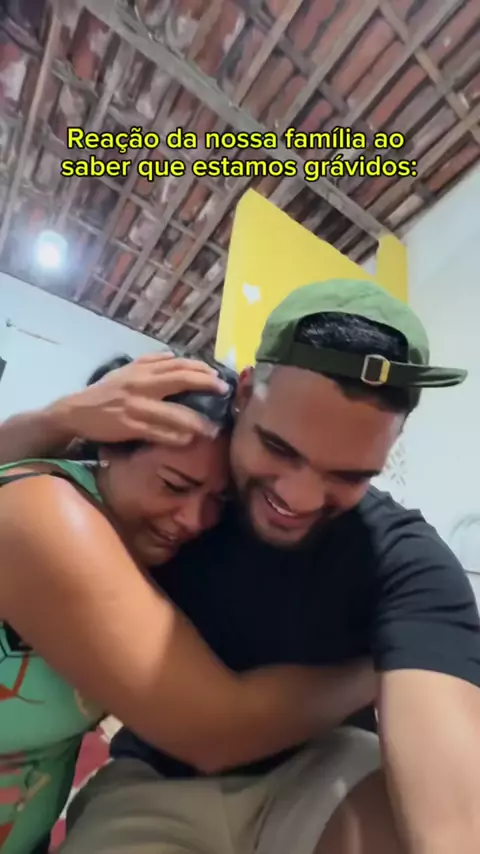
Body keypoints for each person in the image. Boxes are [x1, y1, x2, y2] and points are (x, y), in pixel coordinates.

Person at [1, 277, 479, 854]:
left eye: (349, 475)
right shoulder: (134, 498)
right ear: (246, 395)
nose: (299, 497)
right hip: (151, 785)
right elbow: (212, 731)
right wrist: (61, 419)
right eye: (278, 448)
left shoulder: (405, 561)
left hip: (322, 777)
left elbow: (452, 821)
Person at [0, 351, 375, 854]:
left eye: (218, 500)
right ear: (107, 448)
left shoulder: (141, 542)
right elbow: (214, 732)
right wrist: (384, 665)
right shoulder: (50, 514)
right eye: (174, 485)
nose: (194, 520)